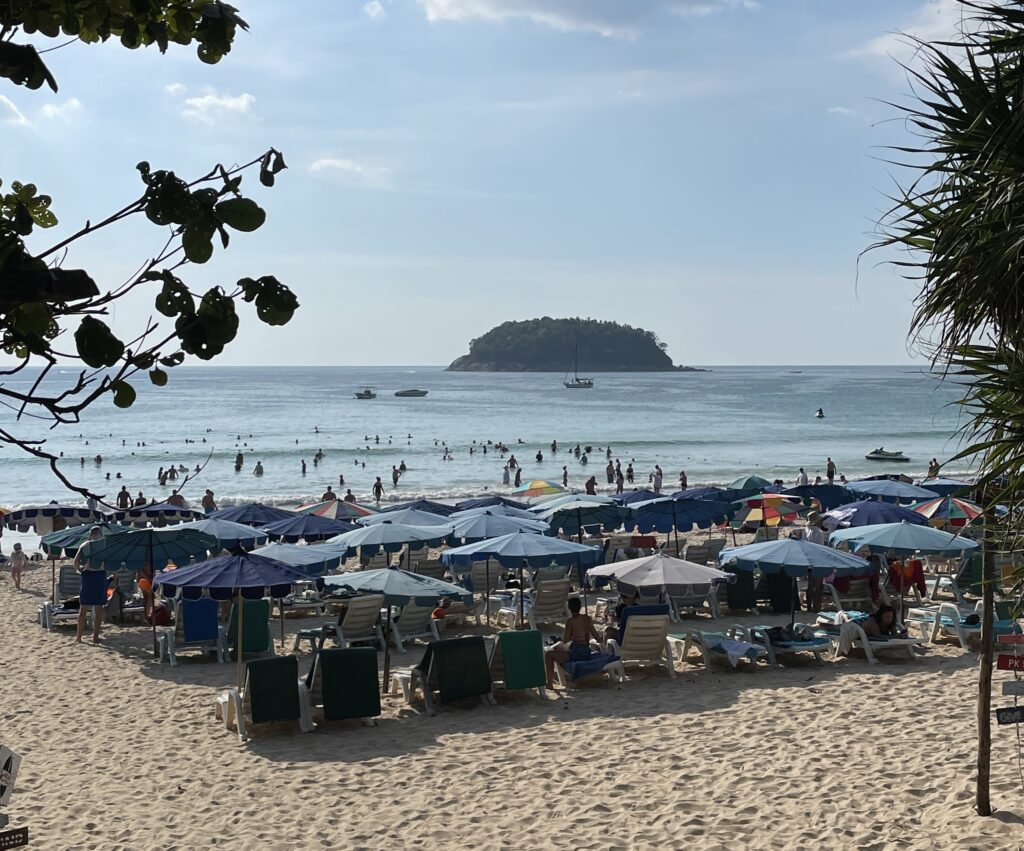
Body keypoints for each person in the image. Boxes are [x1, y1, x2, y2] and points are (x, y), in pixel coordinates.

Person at [544, 597, 602, 689]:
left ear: (570, 608)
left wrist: (569, 637)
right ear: (579, 607)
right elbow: (597, 637)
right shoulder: (587, 619)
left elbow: (565, 640)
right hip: (586, 652)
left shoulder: (570, 621)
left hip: (576, 653)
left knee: (549, 655)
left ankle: (550, 683)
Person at [74, 527, 106, 644]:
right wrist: (80, 569)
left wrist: (80, 568)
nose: (96, 534)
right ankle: (82, 637)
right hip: (93, 576)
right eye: (95, 532)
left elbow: (76, 562)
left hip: (95, 576)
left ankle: (91, 637)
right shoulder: (99, 545)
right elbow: (76, 562)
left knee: (95, 609)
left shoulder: (91, 545)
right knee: (87, 608)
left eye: (97, 532)